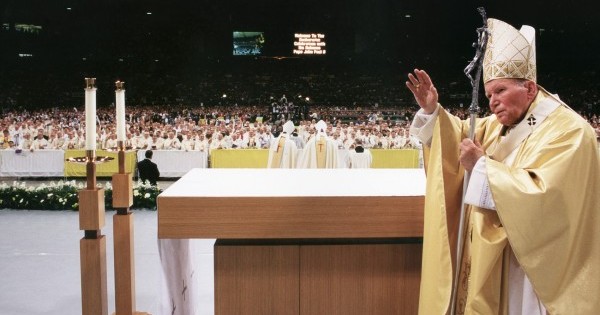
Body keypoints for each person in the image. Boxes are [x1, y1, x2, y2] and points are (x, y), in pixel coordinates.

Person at [407, 18, 600, 314]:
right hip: (496, 260)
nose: (493, 103)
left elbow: (548, 199)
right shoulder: (498, 125)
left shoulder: (570, 131)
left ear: (530, 88)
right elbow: (458, 134)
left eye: (500, 91)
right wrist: (433, 111)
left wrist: (482, 167)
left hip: (536, 269)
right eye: (489, 96)